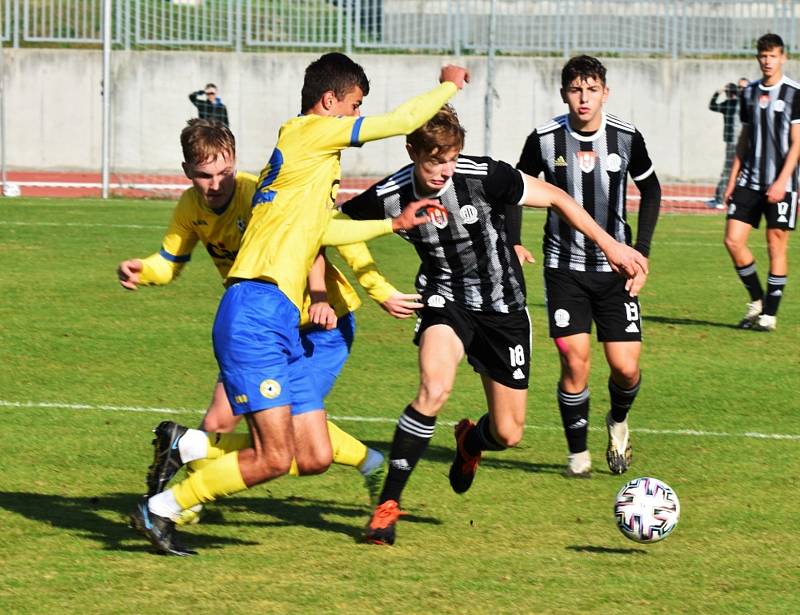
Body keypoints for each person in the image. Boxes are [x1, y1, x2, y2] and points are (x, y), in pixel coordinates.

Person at [129, 52, 469, 556]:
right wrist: (448, 87)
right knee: (272, 456)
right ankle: (162, 509)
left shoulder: (307, 163)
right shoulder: (310, 133)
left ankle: (190, 447)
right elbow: (399, 122)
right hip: (255, 312)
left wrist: (393, 225)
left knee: (311, 452)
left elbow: (322, 230)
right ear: (329, 101)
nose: (356, 117)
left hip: (280, 317)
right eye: (353, 106)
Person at [341, 105, 649, 546]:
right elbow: (328, 230)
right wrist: (369, 288)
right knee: (434, 389)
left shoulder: (484, 176)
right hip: (444, 301)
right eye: (433, 161)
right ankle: (387, 508)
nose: (443, 171)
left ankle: (471, 442)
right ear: (412, 151)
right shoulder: (389, 195)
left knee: (509, 432)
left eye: (449, 159)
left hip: (503, 308)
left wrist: (611, 247)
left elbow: (559, 198)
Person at [117, 118, 424, 519]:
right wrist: (145, 269)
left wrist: (358, 292)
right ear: (187, 172)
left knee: (301, 447)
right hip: (260, 325)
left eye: (224, 172)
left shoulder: (258, 194)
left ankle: (366, 461)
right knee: (220, 419)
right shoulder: (190, 207)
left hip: (321, 324)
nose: (216, 184)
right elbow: (170, 262)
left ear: (235, 162)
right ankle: (182, 496)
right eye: (204, 176)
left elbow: (322, 235)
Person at [517, 55, 661, 479]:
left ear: (605, 92)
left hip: (616, 270)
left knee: (626, 367)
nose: (583, 98)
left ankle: (617, 421)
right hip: (564, 269)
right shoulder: (543, 140)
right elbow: (516, 190)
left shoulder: (626, 136)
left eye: (591, 89)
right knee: (574, 360)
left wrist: (642, 249)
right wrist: (513, 240)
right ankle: (577, 455)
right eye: (576, 90)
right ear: (564, 94)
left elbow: (651, 190)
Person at [722, 33, 800, 332]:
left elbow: (797, 144)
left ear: (783, 57)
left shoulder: (794, 93)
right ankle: (757, 300)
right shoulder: (750, 93)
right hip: (749, 181)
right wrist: (732, 180)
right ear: (758, 58)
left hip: (783, 184)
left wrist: (782, 181)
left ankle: (770, 315)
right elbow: (744, 139)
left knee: (775, 246)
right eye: (763, 56)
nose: (768, 61)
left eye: (773, 56)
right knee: (732, 240)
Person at [707, 82, 741, 209]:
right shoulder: (735, 103)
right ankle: (724, 199)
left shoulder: (733, 104)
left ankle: (720, 200)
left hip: (734, 142)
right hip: (737, 142)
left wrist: (717, 92)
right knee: (734, 172)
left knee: (728, 171)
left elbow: (712, 105)